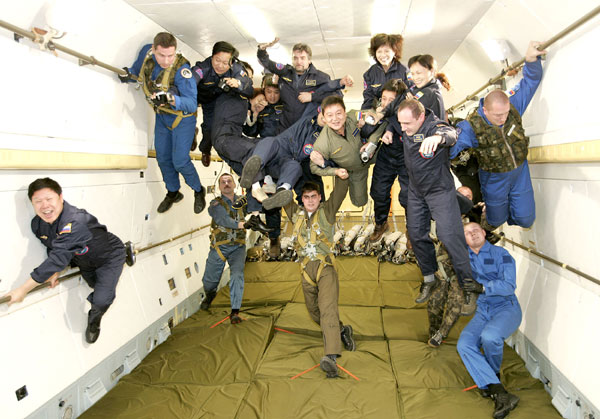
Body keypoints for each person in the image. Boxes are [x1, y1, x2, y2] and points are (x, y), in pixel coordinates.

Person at [3, 178, 126, 344]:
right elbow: (52, 246)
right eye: (38, 201)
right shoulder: (38, 225)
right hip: (83, 259)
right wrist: (54, 271)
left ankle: (94, 320)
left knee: (102, 299)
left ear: (60, 198)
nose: (44, 206)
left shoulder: (75, 221)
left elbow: (58, 258)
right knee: (95, 286)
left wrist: (23, 289)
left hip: (109, 256)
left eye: (49, 199)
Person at [450, 41, 546, 230]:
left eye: (505, 113)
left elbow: (529, 83)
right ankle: (485, 221)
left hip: (519, 171)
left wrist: (531, 60)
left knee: (526, 220)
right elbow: (449, 150)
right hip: (494, 177)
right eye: (497, 115)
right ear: (485, 110)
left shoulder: (512, 107)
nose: (503, 118)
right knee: (495, 220)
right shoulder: (471, 126)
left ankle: (513, 207)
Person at [395, 98, 477, 315]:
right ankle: (429, 277)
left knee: (449, 236)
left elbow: (451, 134)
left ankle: (468, 284)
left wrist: (437, 138)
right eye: (400, 124)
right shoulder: (406, 124)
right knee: (415, 234)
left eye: (407, 124)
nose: (403, 129)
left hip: (439, 190)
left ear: (421, 118)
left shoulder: (435, 126)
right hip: (416, 191)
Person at [119, 32, 206, 214]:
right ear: (153, 49)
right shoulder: (146, 54)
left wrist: (172, 99)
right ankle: (173, 192)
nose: (166, 61)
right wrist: (126, 74)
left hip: (183, 119)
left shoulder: (182, 70)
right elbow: (137, 72)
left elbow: (191, 104)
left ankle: (199, 190)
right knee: (163, 159)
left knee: (180, 162)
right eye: (161, 55)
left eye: (170, 56)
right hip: (162, 117)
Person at [282, 179, 356, 378]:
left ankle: (330, 356)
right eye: (306, 197)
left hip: (325, 269)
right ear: (302, 200)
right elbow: (281, 195)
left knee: (327, 309)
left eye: (313, 196)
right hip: (306, 270)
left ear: (319, 197)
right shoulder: (295, 215)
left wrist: (341, 174)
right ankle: (342, 330)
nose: (310, 200)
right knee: (314, 312)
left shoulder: (327, 212)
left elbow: (340, 192)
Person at [458, 222, 522, 419]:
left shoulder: (501, 254)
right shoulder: (464, 258)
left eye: (476, 230)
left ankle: (492, 380)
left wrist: (484, 288)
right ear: (465, 239)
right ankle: (498, 389)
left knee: (490, 336)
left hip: (506, 307)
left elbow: (509, 285)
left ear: (484, 233)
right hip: (484, 309)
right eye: (468, 233)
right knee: (464, 344)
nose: (473, 234)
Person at [199, 173, 272, 323]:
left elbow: (256, 207)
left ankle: (235, 312)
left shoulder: (242, 201)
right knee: (209, 281)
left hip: (237, 247)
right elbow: (223, 219)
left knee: (237, 275)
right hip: (219, 247)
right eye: (223, 182)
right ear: (219, 187)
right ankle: (210, 294)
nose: (226, 184)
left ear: (234, 184)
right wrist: (243, 225)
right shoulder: (215, 205)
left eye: (229, 181)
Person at [257, 38, 353, 132]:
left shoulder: (320, 77)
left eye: (302, 58)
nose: (299, 62)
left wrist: (313, 96)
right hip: (285, 129)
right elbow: (268, 63)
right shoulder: (285, 72)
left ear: (309, 60)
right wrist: (262, 50)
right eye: (295, 58)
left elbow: (337, 95)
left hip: (307, 130)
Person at [362, 79, 410, 242]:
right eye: (384, 98)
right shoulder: (378, 112)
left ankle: (413, 229)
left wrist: (390, 126)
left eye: (392, 100)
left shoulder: (409, 113)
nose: (386, 103)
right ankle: (381, 223)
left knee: (409, 197)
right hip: (387, 155)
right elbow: (365, 132)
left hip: (407, 157)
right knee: (378, 192)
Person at [193, 41, 254, 166]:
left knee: (215, 129)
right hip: (202, 98)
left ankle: (207, 149)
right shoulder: (203, 68)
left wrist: (238, 84)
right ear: (212, 56)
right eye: (217, 60)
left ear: (231, 61)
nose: (220, 66)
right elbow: (190, 80)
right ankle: (198, 142)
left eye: (225, 63)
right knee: (202, 124)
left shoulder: (236, 67)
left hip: (221, 102)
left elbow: (249, 88)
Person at [310, 96, 378, 207]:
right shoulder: (322, 142)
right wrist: (335, 172)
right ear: (324, 118)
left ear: (345, 112)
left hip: (375, 154)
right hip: (355, 170)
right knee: (359, 202)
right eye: (330, 115)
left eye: (338, 113)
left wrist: (372, 142)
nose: (335, 119)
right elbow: (313, 168)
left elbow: (377, 117)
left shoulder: (353, 116)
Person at [361, 33, 408, 110]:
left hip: (399, 114)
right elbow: (368, 99)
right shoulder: (369, 74)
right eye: (379, 51)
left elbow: (410, 96)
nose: (383, 55)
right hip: (379, 113)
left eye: (387, 51)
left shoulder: (405, 71)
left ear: (394, 52)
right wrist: (363, 116)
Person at [243, 74, 283, 138]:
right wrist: (254, 114)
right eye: (269, 92)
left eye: (276, 92)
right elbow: (250, 133)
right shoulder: (260, 108)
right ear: (264, 91)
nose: (272, 96)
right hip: (265, 143)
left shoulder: (287, 107)